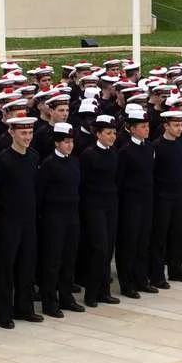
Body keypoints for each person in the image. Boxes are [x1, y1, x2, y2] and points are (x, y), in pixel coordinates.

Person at [0, 116, 42, 328]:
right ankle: (4, 313)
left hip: (28, 218)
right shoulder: (2, 160)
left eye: (29, 133)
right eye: (23, 133)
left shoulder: (34, 156)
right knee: (6, 267)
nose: (27, 137)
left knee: (27, 264)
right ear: (12, 133)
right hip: (8, 219)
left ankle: (24, 308)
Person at [36, 122, 85, 318]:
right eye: (66, 142)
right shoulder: (48, 164)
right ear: (57, 143)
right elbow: (41, 193)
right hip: (54, 217)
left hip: (72, 215)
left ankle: (66, 297)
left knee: (68, 258)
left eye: (71, 142)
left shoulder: (74, 161)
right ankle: (49, 301)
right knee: (52, 260)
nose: (69, 145)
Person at [150, 109, 182, 287]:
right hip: (162, 196)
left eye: (181, 125)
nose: (179, 129)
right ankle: (157, 274)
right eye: (175, 125)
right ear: (166, 126)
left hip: (178, 195)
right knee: (160, 237)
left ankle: (176, 270)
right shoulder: (157, 146)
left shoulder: (180, 144)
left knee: (178, 234)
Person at [80, 115, 119, 307]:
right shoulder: (88, 154)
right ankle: (91, 293)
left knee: (108, 248)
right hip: (94, 206)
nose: (112, 137)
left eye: (114, 133)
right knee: (99, 248)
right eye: (108, 133)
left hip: (110, 204)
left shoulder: (113, 153)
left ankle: (104, 291)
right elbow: (83, 183)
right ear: (98, 134)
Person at [115, 105, 155, 297]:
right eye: (142, 126)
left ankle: (141, 278)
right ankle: (127, 282)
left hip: (146, 199)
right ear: (131, 128)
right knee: (129, 242)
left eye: (147, 125)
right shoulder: (125, 150)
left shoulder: (149, 147)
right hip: (131, 202)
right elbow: (120, 180)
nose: (146, 129)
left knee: (143, 241)